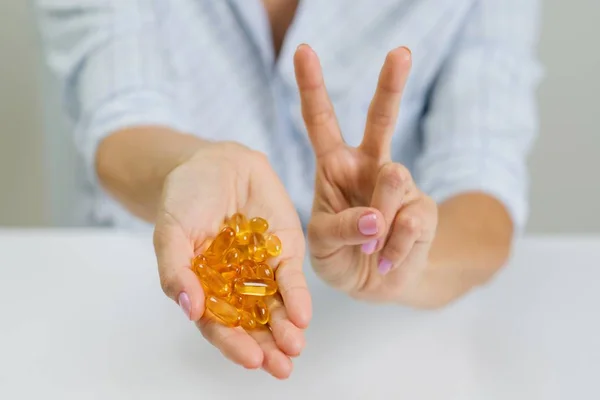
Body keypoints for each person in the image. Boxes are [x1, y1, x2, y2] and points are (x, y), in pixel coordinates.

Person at [35, 0, 542, 379]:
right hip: (122, 314)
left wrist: (405, 258)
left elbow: (484, 179)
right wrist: (194, 165)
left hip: (388, 346)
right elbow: (120, 114)